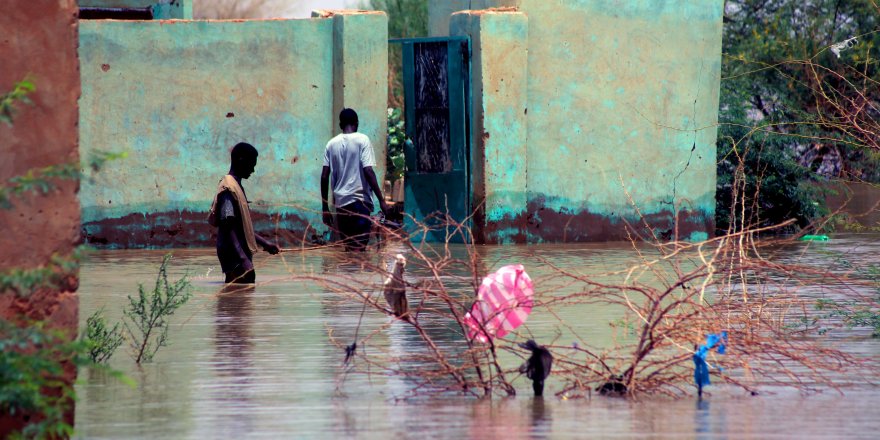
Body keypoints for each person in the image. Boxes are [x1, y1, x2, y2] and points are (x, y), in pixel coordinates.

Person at [208, 142, 279, 283]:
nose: (253, 170)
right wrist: (243, 258)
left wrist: (265, 244)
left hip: (237, 254)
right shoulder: (228, 188)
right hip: (234, 255)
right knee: (240, 290)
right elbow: (227, 226)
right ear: (241, 161)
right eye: (252, 164)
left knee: (240, 296)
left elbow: (241, 228)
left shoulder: (236, 186)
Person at [321, 108, 389, 251]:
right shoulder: (362, 140)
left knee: (349, 250)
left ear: (340, 125)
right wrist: (382, 200)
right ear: (356, 124)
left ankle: (349, 273)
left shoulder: (331, 144)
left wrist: (325, 207)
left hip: (341, 205)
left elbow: (324, 176)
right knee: (359, 251)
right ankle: (356, 273)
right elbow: (368, 171)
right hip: (359, 203)